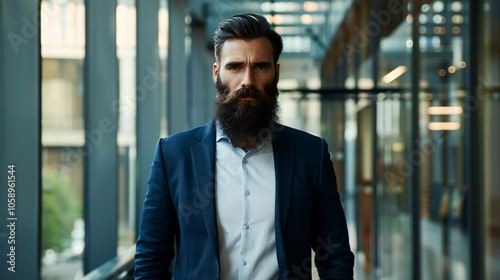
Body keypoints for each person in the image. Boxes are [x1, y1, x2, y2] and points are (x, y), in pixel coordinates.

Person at [134, 13, 354, 280]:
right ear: (217, 74)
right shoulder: (173, 155)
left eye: (260, 66)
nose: (247, 80)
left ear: (276, 73)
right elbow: (151, 257)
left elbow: (335, 255)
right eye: (235, 66)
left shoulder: (311, 154)